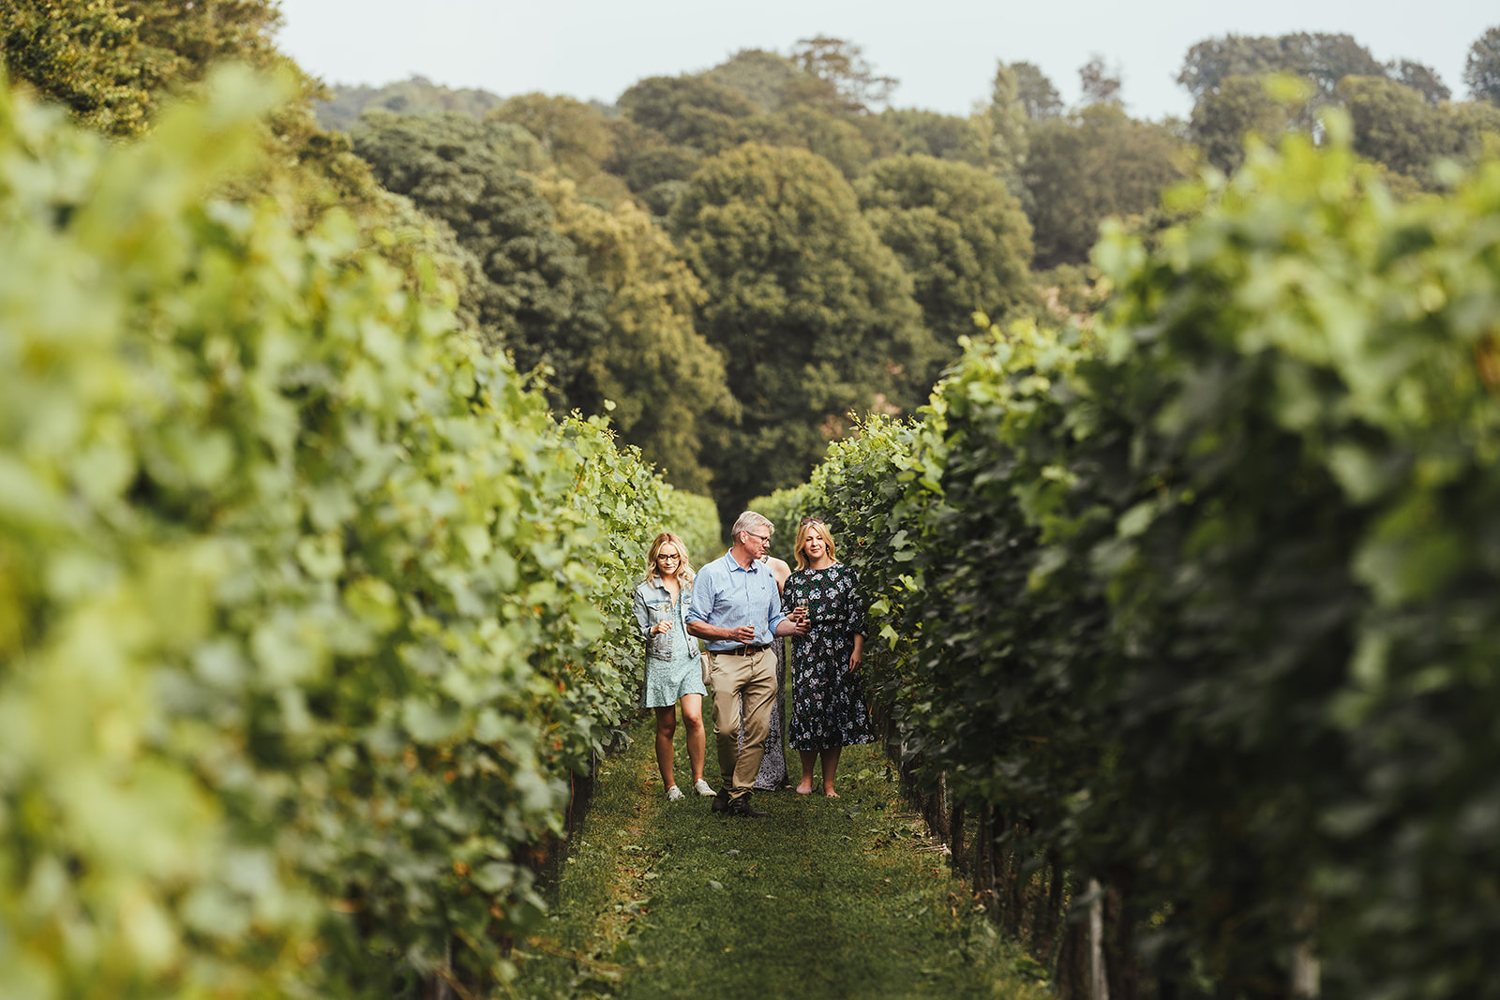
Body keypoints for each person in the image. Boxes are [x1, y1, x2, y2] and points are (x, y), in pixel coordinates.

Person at [686, 511, 808, 817]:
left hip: (764, 660)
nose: (767, 544)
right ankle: (730, 786)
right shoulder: (711, 574)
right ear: (744, 536)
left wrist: (794, 627)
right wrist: (729, 633)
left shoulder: (765, 575)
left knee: (758, 731)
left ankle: (739, 795)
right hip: (727, 660)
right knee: (727, 729)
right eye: (763, 538)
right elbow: (693, 623)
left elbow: (774, 621)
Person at [785, 517, 872, 797]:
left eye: (819, 538)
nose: (814, 544)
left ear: (827, 541)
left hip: (839, 648)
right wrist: (793, 618)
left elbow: (857, 614)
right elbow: (782, 616)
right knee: (808, 710)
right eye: (808, 539)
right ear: (802, 545)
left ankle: (829, 783)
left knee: (834, 713)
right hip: (807, 649)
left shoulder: (846, 575)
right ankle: (806, 778)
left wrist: (857, 649)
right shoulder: (795, 580)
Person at [632, 532, 713, 802]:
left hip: (689, 658)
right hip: (661, 661)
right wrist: (653, 629)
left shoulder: (692, 584)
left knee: (694, 718)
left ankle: (699, 779)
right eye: (663, 556)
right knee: (666, 726)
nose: (669, 561)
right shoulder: (644, 591)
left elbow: (705, 617)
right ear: (655, 558)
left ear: (681, 557)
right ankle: (670, 786)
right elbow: (639, 631)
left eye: (674, 556)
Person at [737, 552, 791, 790]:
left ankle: (772, 771)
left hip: (770, 643)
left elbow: (789, 611)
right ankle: (743, 771)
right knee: (741, 706)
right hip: (740, 641)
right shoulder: (730, 567)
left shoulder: (778, 567)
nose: (765, 543)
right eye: (760, 537)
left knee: (770, 705)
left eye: (766, 538)